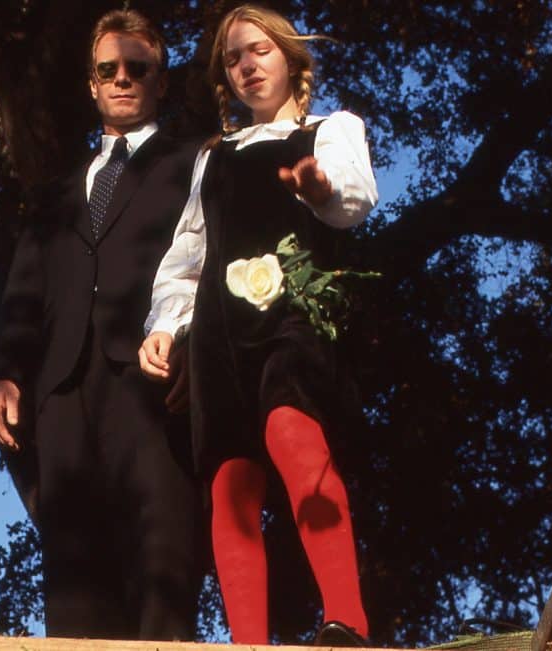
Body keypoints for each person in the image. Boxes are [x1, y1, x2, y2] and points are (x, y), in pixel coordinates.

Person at [139, 4, 378, 646]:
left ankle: (346, 624)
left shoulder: (329, 129)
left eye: (259, 51)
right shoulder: (213, 157)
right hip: (218, 336)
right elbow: (186, 257)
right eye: (233, 58)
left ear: (291, 58)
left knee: (293, 434)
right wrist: (167, 326)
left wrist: (319, 186)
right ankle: (248, 642)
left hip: (293, 315)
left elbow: (354, 199)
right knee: (230, 481)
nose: (246, 65)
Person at [0, 9, 202, 640]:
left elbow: (205, 267)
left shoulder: (197, 165)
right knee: (74, 593)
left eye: (139, 68)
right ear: (91, 83)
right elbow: (23, 291)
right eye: (109, 69)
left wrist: (190, 348)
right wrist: (4, 373)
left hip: (152, 386)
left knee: (161, 574)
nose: (123, 79)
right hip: (61, 397)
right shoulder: (53, 195)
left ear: (162, 81)